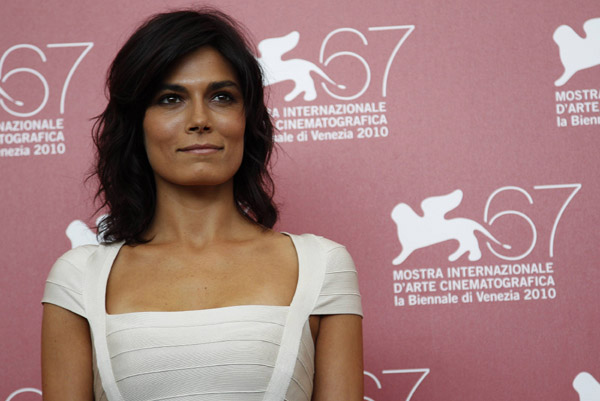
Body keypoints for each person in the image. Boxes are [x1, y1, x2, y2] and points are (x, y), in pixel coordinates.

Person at [41, 8, 363, 401]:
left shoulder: (322, 265)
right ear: (136, 124)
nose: (199, 119)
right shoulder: (78, 278)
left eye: (222, 97)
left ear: (248, 118)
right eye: (170, 98)